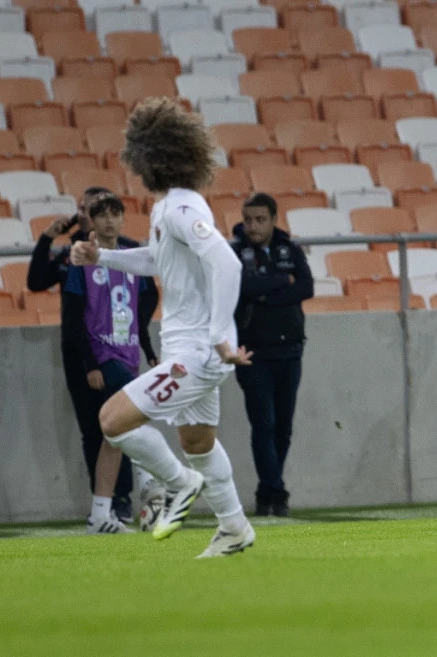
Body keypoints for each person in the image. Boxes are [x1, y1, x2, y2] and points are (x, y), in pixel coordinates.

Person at [71, 97, 255, 557]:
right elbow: (159, 260)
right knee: (197, 441)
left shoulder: (178, 210)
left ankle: (179, 484)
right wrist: (104, 257)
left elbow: (226, 262)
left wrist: (217, 336)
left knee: (111, 420)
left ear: (150, 159)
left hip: (198, 350)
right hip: (189, 348)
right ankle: (234, 528)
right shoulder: (169, 208)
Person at [29, 186, 161, 530]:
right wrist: (90, 363)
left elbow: (147, 296)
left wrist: (145, 345)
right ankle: (145, 490)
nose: (105, 219)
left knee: (115, 431)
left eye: (111, 211)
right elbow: (49, 292)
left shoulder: (132, 250)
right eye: (95, 211)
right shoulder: (76, 254)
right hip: (91, 353)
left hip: (125, 349)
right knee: (113, 424)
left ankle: (109, 509)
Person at [231, 193, 314, 518]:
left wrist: (263, 292)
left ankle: (268, 491)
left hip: (290, 348)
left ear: (273, 219)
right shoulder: (235, 251)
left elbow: (306, 288)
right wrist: (280, 282)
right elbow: (239, 286)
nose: (253, 226)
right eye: (248, 219)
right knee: (263, 424)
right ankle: (276, 492)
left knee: (283, 427)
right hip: (251, 351)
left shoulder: (289, 249)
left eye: (260, 219)